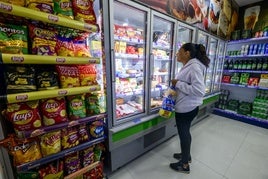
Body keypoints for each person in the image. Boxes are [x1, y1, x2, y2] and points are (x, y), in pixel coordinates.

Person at [169, 43, 210, 173]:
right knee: (186, 133)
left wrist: (178, 83)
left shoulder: (194, 67)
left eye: (179, 51)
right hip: (188, 105)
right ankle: (186, 155)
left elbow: (199, 91)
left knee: (184, 134)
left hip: (187, 108)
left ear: (187, 53)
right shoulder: (191, 66)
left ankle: (184, 165)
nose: (177, 54)